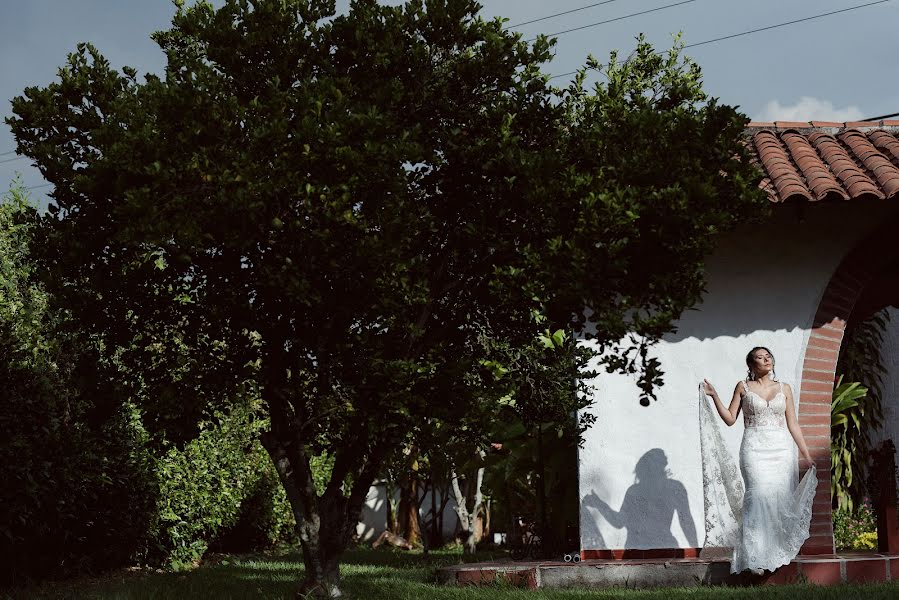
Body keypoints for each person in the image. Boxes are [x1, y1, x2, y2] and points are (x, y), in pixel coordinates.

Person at [701, 346, 818, 575]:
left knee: (778, 499)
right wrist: (714, 395)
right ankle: (754, 557)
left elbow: (793, 424)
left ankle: (773, 554)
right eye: (759, 358)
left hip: (780, 450)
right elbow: (730, 419)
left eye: (768, 356)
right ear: (751, 365)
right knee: (757, 497)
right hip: (754, 449)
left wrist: (806, 455)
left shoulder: (785, 388)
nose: (766, 360)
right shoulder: (743, 387)